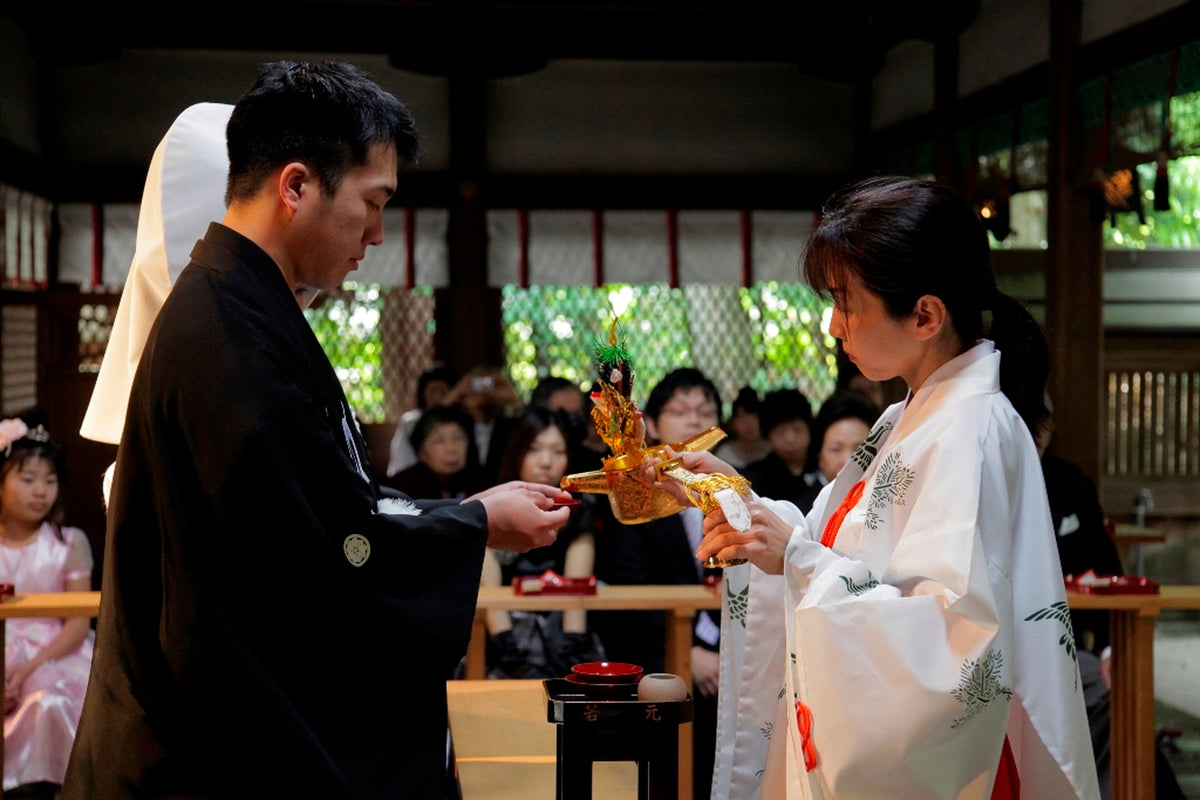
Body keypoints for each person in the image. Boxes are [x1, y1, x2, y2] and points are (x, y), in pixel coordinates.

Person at [61, 61, 573, 800]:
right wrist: (471, 525)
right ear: (295, 186)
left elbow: (327, 512)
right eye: (373, 201)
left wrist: (468, 518)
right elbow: (321, 558)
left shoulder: (242, 311)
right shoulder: (229, 342)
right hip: (208, 750)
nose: (378, 231)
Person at [652, 177, 1100, 798]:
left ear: (924, 315)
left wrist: (796, 559)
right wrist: (741, 502)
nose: (833, 324)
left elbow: (952, 644)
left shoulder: (967, 427)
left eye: (845, 301)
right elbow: (830, 545)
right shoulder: (907, 417)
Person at [591, 366, 723, 800]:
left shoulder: (728, 484)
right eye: (682, 410)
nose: (695, 419)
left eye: (705, 409)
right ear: (655, 421)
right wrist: (689, 654)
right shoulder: (632, 489)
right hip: (658, 651)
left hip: (729, 649)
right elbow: (630, 592)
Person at [0, 419, 94, 798]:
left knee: (49, 702)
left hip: (56, 649)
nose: (41, 491)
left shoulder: (69, 542)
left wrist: (28, 668)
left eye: (50, 480)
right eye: (28, 479)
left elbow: (78, 617)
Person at [482, 406, 606, 679]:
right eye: (534, 449)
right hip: (502, 625)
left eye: (557, 451)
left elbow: (577, 585)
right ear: (517, 452)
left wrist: (573, 641)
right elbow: (486, 580)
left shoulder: (580, 510)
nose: (545, 461)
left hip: (562, 621)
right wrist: (505, 640)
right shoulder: (491, 506)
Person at [794, 390, 881, 513]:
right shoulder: (802, 513)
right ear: (820, 456)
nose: (847, 461)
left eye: (860, 450)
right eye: (836, 449)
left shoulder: (887, 505)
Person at [441, 364, 524, 485]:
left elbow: (532, 427)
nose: (483, 392)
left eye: (489, 385)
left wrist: (512, 397)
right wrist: (455, 392)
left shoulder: (510, 427)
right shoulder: (458, 424)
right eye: (477, 385)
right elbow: (430, 423)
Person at [381, 404, 485, 500]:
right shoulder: (400, 489)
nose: (451, 449)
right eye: (438, 440)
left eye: (457, 438)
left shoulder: (482, 486)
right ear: (420, 452)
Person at [740, 387, 817, 509]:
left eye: (798, 430)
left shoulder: (822, 468)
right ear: (767, 436)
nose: (790, 439)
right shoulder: (755, 477)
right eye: (780, 432)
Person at [386, 361, 459, 477]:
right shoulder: (411, 421)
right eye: (432, 391)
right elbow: (400, 465)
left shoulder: (461, 420)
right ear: (423, 394)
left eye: (442, 391)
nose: (438, 397)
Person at [712, 386, 770, 469]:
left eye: (753, 416)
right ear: (732, 423)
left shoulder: (773, 451)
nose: (748, 422)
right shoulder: (724, 455)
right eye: (741, 417)